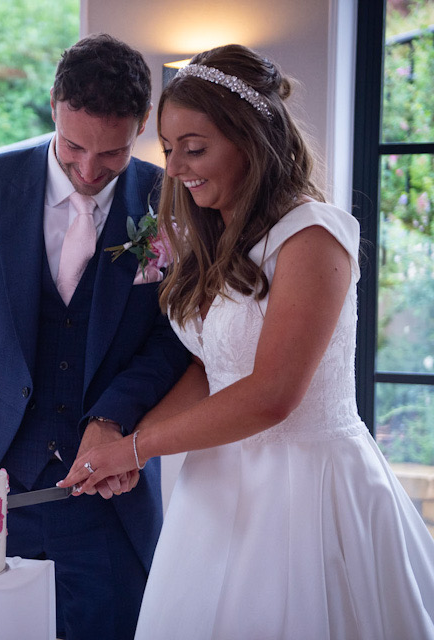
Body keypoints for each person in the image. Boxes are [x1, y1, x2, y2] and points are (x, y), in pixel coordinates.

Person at [60, 43, 434, 638]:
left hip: (304, 493)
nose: (176, 169)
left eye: (195, 148)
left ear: (252, 139)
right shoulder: (218, 234)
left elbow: (270, 395)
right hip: (216, 488)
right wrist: (127, 439)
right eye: (169, 150)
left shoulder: (313, 235)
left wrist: (138, 449)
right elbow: (214, 371)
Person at [0, 34, 189, 640]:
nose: (88, 170)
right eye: (75, 145)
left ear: (140, 130)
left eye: (113, 153)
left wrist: (112, 417)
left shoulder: (174, 201)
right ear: (54, 104)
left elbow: (177, 338)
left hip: (110, 503)